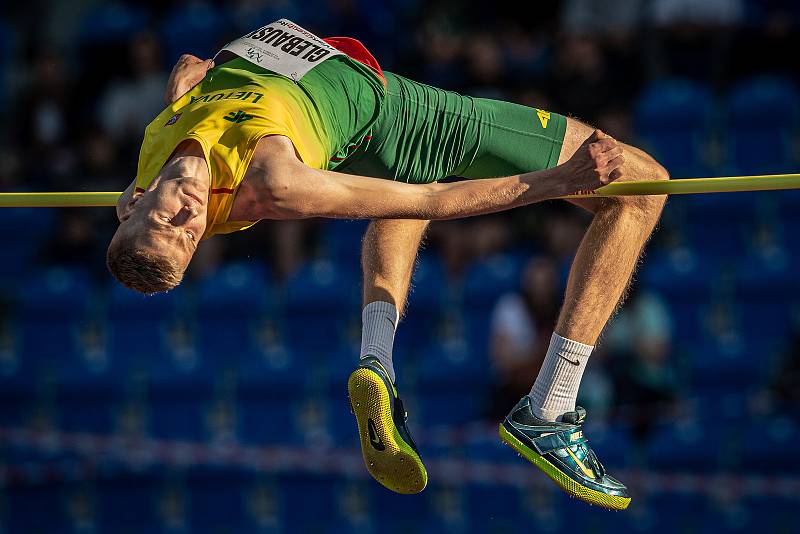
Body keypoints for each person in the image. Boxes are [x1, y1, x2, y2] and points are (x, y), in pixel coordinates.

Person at [107, 19, 668, 510]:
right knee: (642, 186)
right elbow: (429, 203)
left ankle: (378, 363)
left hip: (335, 95)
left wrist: (182, 91)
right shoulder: (272, 181)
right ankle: (552, 406)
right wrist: (554, 183)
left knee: (399, 184)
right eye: (189, 237)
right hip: (395, 114)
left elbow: (188, 107)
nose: (188, 217)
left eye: (166, 224)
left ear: (131, 202)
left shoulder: (154, 151)